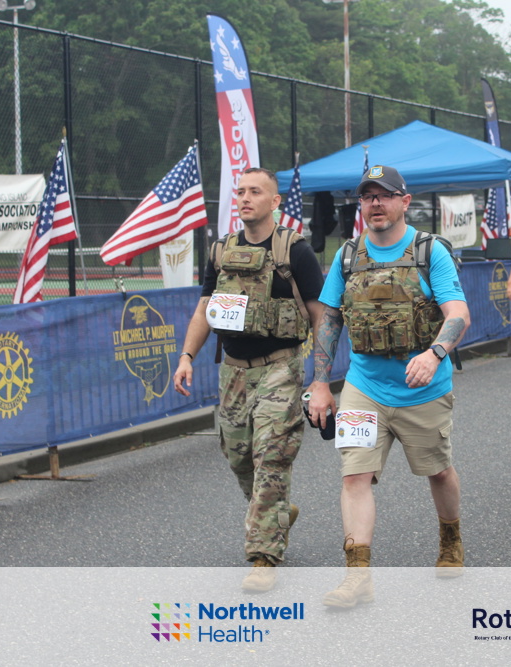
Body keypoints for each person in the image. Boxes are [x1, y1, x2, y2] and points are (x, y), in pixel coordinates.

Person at [306, 165, 470, 606]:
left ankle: (450, 538)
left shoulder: (429, 251)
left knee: (438, 471)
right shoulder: (348, 256)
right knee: (355, 475)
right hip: (364, 387)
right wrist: (320, 384)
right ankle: (357, 575)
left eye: (384, 195)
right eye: (367, 196)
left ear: (404, 201)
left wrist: (434, 354)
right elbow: (330, 319)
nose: (375, 203)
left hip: (423, 389)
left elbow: (458, 313)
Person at [172, 167, 325, 592]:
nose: (244, 198)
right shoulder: (221, 251)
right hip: (233, 371)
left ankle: (263, 556)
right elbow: (205, 307)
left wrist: (322, 376)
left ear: (274, 201)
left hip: (281, 366)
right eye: (240, 191)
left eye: (255, 192)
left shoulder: (294, 251)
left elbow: (321, 316)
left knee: (271, 456)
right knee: (239, 456)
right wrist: (186, 356)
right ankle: (277, 512)